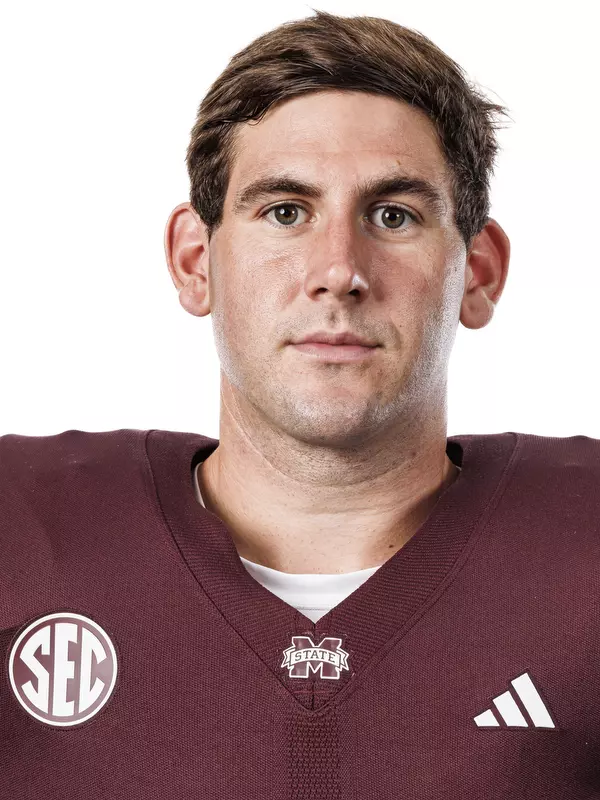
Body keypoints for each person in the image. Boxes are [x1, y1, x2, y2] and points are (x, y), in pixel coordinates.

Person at [1, 9, 597, 799]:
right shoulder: (20, 528)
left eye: (394, 215)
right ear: (194, 261)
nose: (338, 271)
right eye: (285, 212)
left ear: (478, 273)